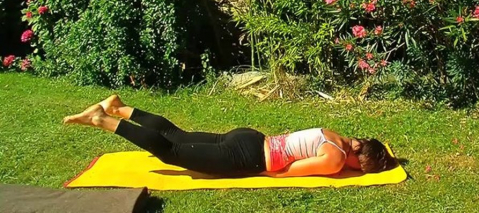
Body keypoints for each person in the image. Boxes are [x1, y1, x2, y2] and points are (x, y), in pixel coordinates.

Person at [63, 95, 397, 178]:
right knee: (171, 152)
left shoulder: (335, 136)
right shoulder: (336, 160)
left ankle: (120, 107)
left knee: (177, 134)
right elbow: (284, 171)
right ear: (360, 159)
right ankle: (102, 119)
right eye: (360, 167)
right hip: (249, 158)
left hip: (250, 138)